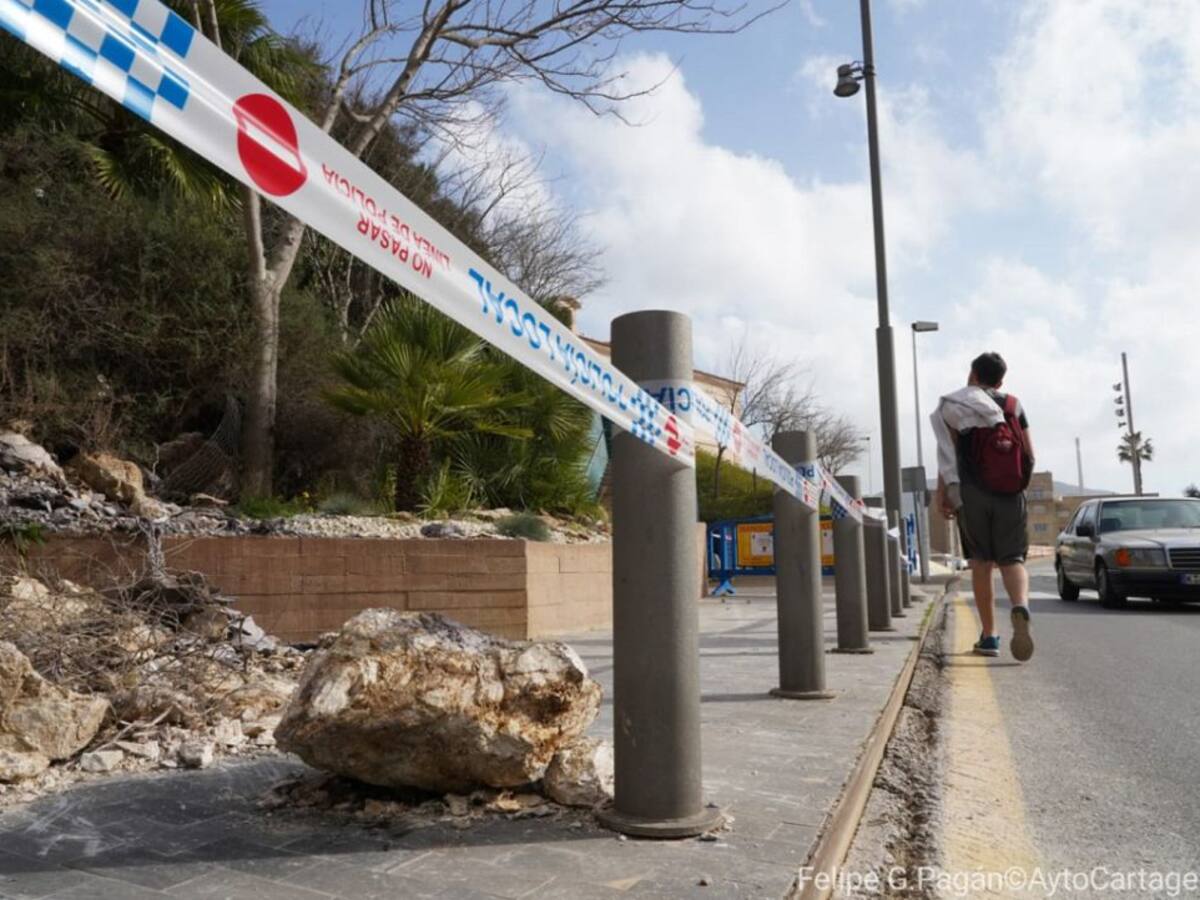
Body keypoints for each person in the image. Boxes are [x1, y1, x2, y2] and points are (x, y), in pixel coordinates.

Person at [931, 352, 1035, 662]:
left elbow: (947, 454)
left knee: (980, 562)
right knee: (1013, 559)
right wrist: (1016, 486)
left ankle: (989, 636)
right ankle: (1020, 606)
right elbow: (1029, 452)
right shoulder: (1013, 406)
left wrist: (942, 495)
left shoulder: (957, 405)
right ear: (1001, 380)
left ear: (972, 374)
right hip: (1010, 492)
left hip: (971, 492)